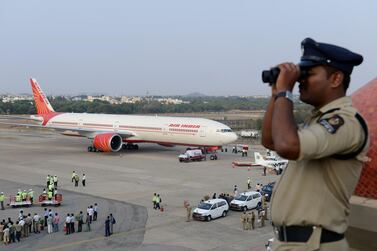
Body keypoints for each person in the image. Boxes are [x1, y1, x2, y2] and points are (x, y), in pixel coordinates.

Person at [261, 38, 369, 250]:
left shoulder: (344, 122)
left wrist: (286, 92)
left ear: (336, 78)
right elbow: (271, 141)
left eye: (308, 74)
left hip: (313, 244)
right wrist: (276, 94)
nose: (300, 80)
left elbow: (287, 146)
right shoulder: (318, 120)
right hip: (295, 243)